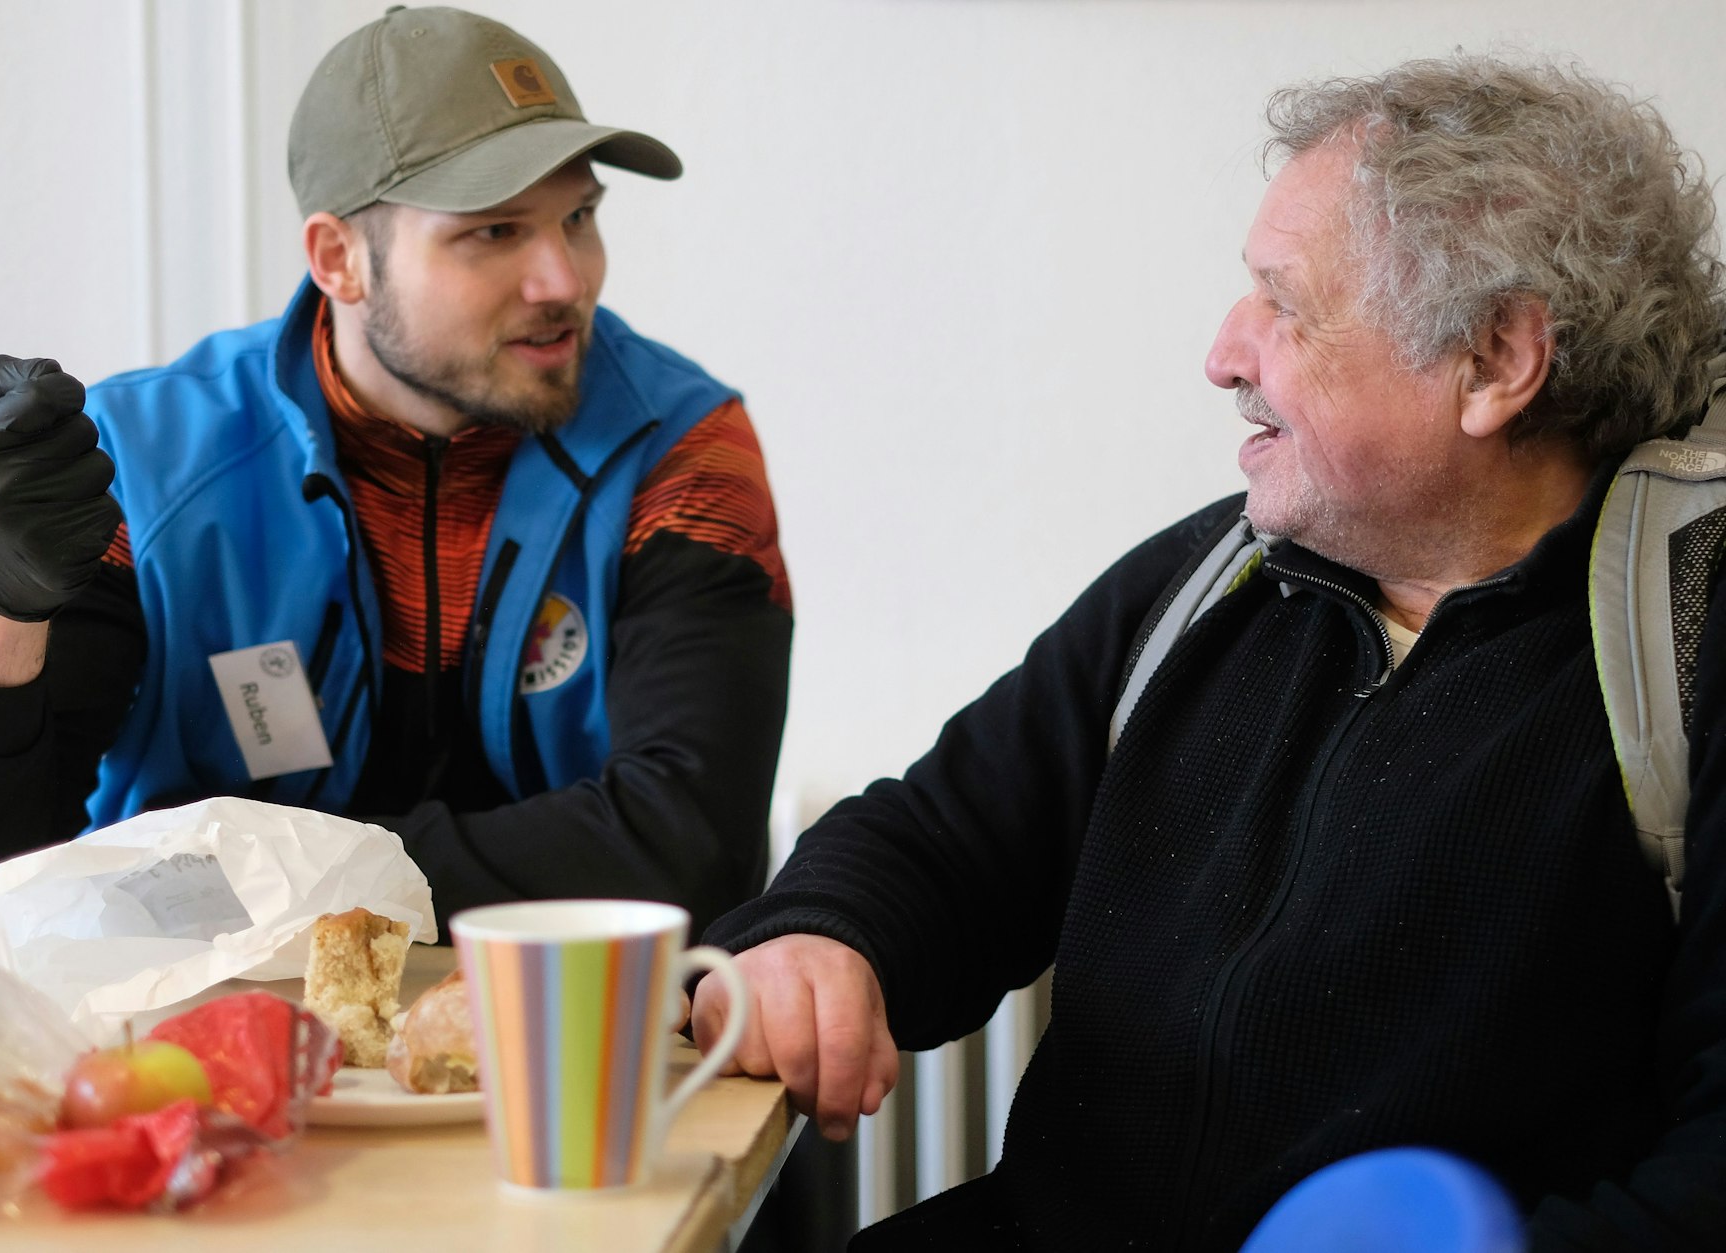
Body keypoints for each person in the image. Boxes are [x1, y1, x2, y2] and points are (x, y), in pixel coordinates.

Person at [691, 53, 1726, 1251]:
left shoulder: (1688, 638)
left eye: (1283, 301)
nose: (1225, 352)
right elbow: (940, 837)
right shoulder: (1210, 578)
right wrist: (819, 933)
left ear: (1495, 360)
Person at [0, 7, 791, 938]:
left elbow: (689, 851)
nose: (565, 279)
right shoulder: (140, 464)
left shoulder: (680, 446)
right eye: (497, 232)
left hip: (561, 1046)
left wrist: (232, 880)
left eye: (579, 217)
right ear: (338, 259)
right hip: (195, 1053)